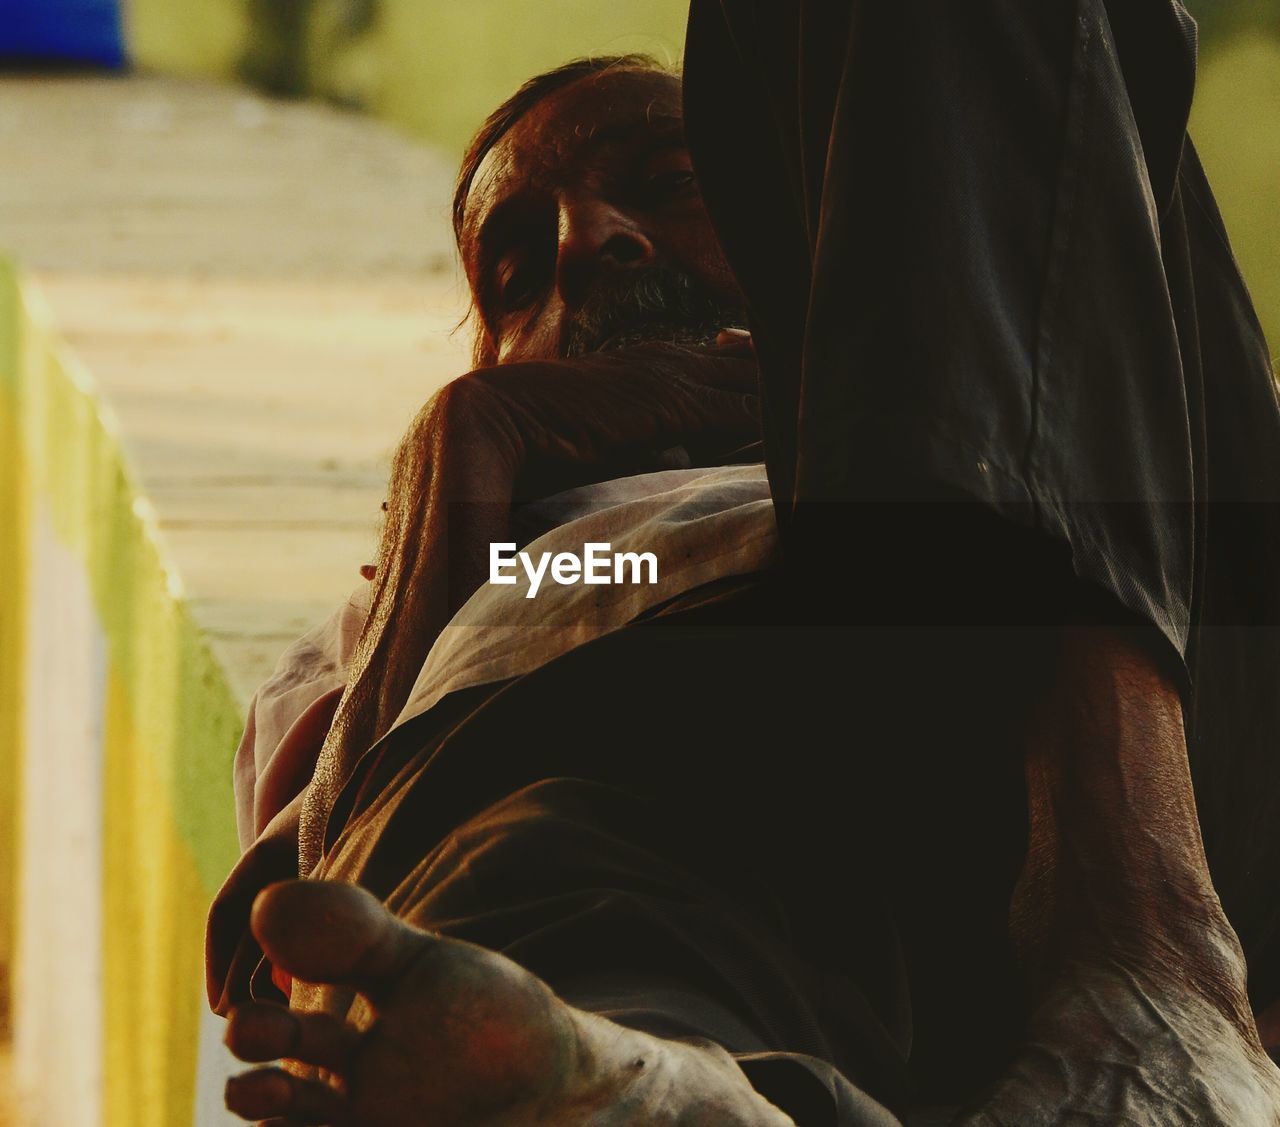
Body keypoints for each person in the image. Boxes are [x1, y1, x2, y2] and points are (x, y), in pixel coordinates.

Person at [207, 2, 1280, 1122]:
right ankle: (655, 1083)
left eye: (670, 183)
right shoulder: (510, 567)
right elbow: (314, 930)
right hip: (690, 844)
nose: (587, 243)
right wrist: (461, 455)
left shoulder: (1007, 360)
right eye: (515, 270)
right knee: (509, 869)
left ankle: (1151, 964)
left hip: (1150, 714)